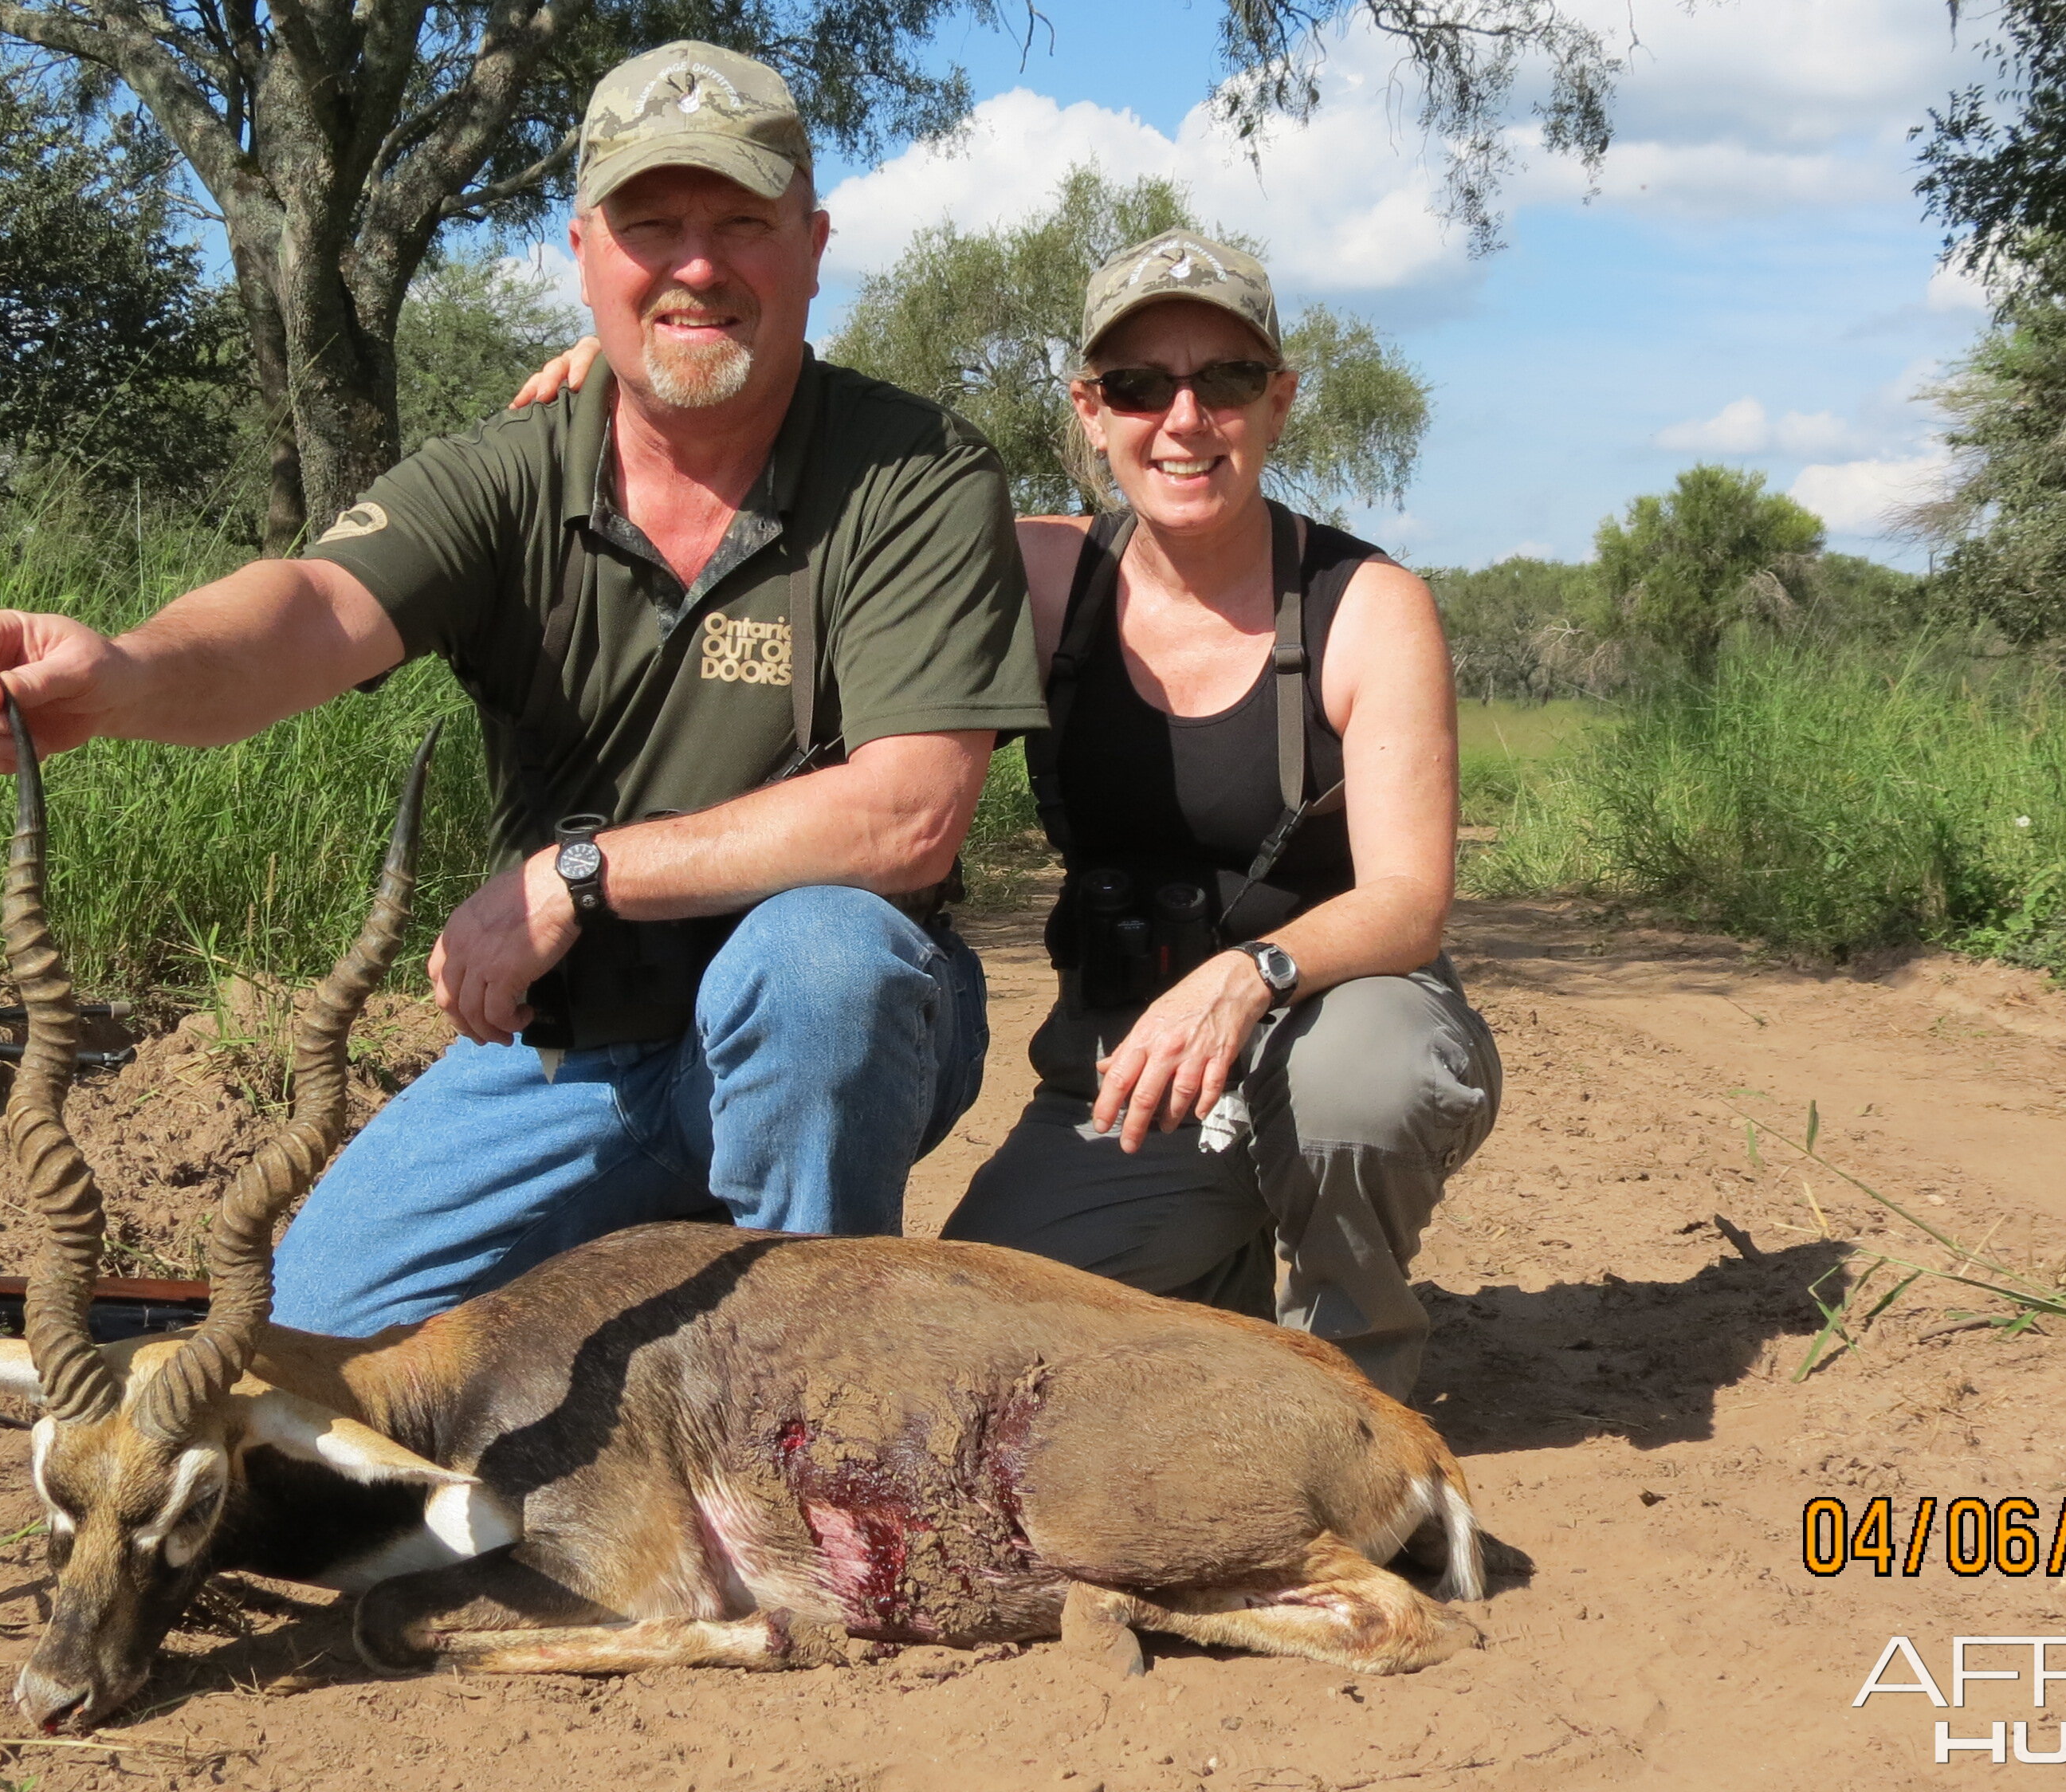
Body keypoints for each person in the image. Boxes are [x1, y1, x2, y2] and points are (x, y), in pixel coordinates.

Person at [0, 42, 1046, 1341]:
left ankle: (816, 1400)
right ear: (584, 250)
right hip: (580, 1053)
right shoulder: (510, 472)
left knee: (822, 965)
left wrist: (574, 878)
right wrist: (126, 671)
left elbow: (908, 816)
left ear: (811, 241)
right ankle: (646, 1262)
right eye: (651, 225)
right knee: (313, 1341)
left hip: (829, 1029)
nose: (696, 263)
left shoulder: (917, 470)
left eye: (741, 220)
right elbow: (307, 607)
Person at [510, 231, 1501, 1401]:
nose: (1182, 420)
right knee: (972, 1355)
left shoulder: (1367, 607)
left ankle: (1355, 1380)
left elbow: (1409, 902)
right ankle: (1218, 1260)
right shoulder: (1039, 577)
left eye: (1225, 381)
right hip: (1133, 1075)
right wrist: (652, 394)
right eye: (1137, 386)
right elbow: (834, 519)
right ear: (1090, 410)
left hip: (1327, 1012)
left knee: (1360, 1083)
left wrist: (1247, 978)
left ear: (1278, 403)